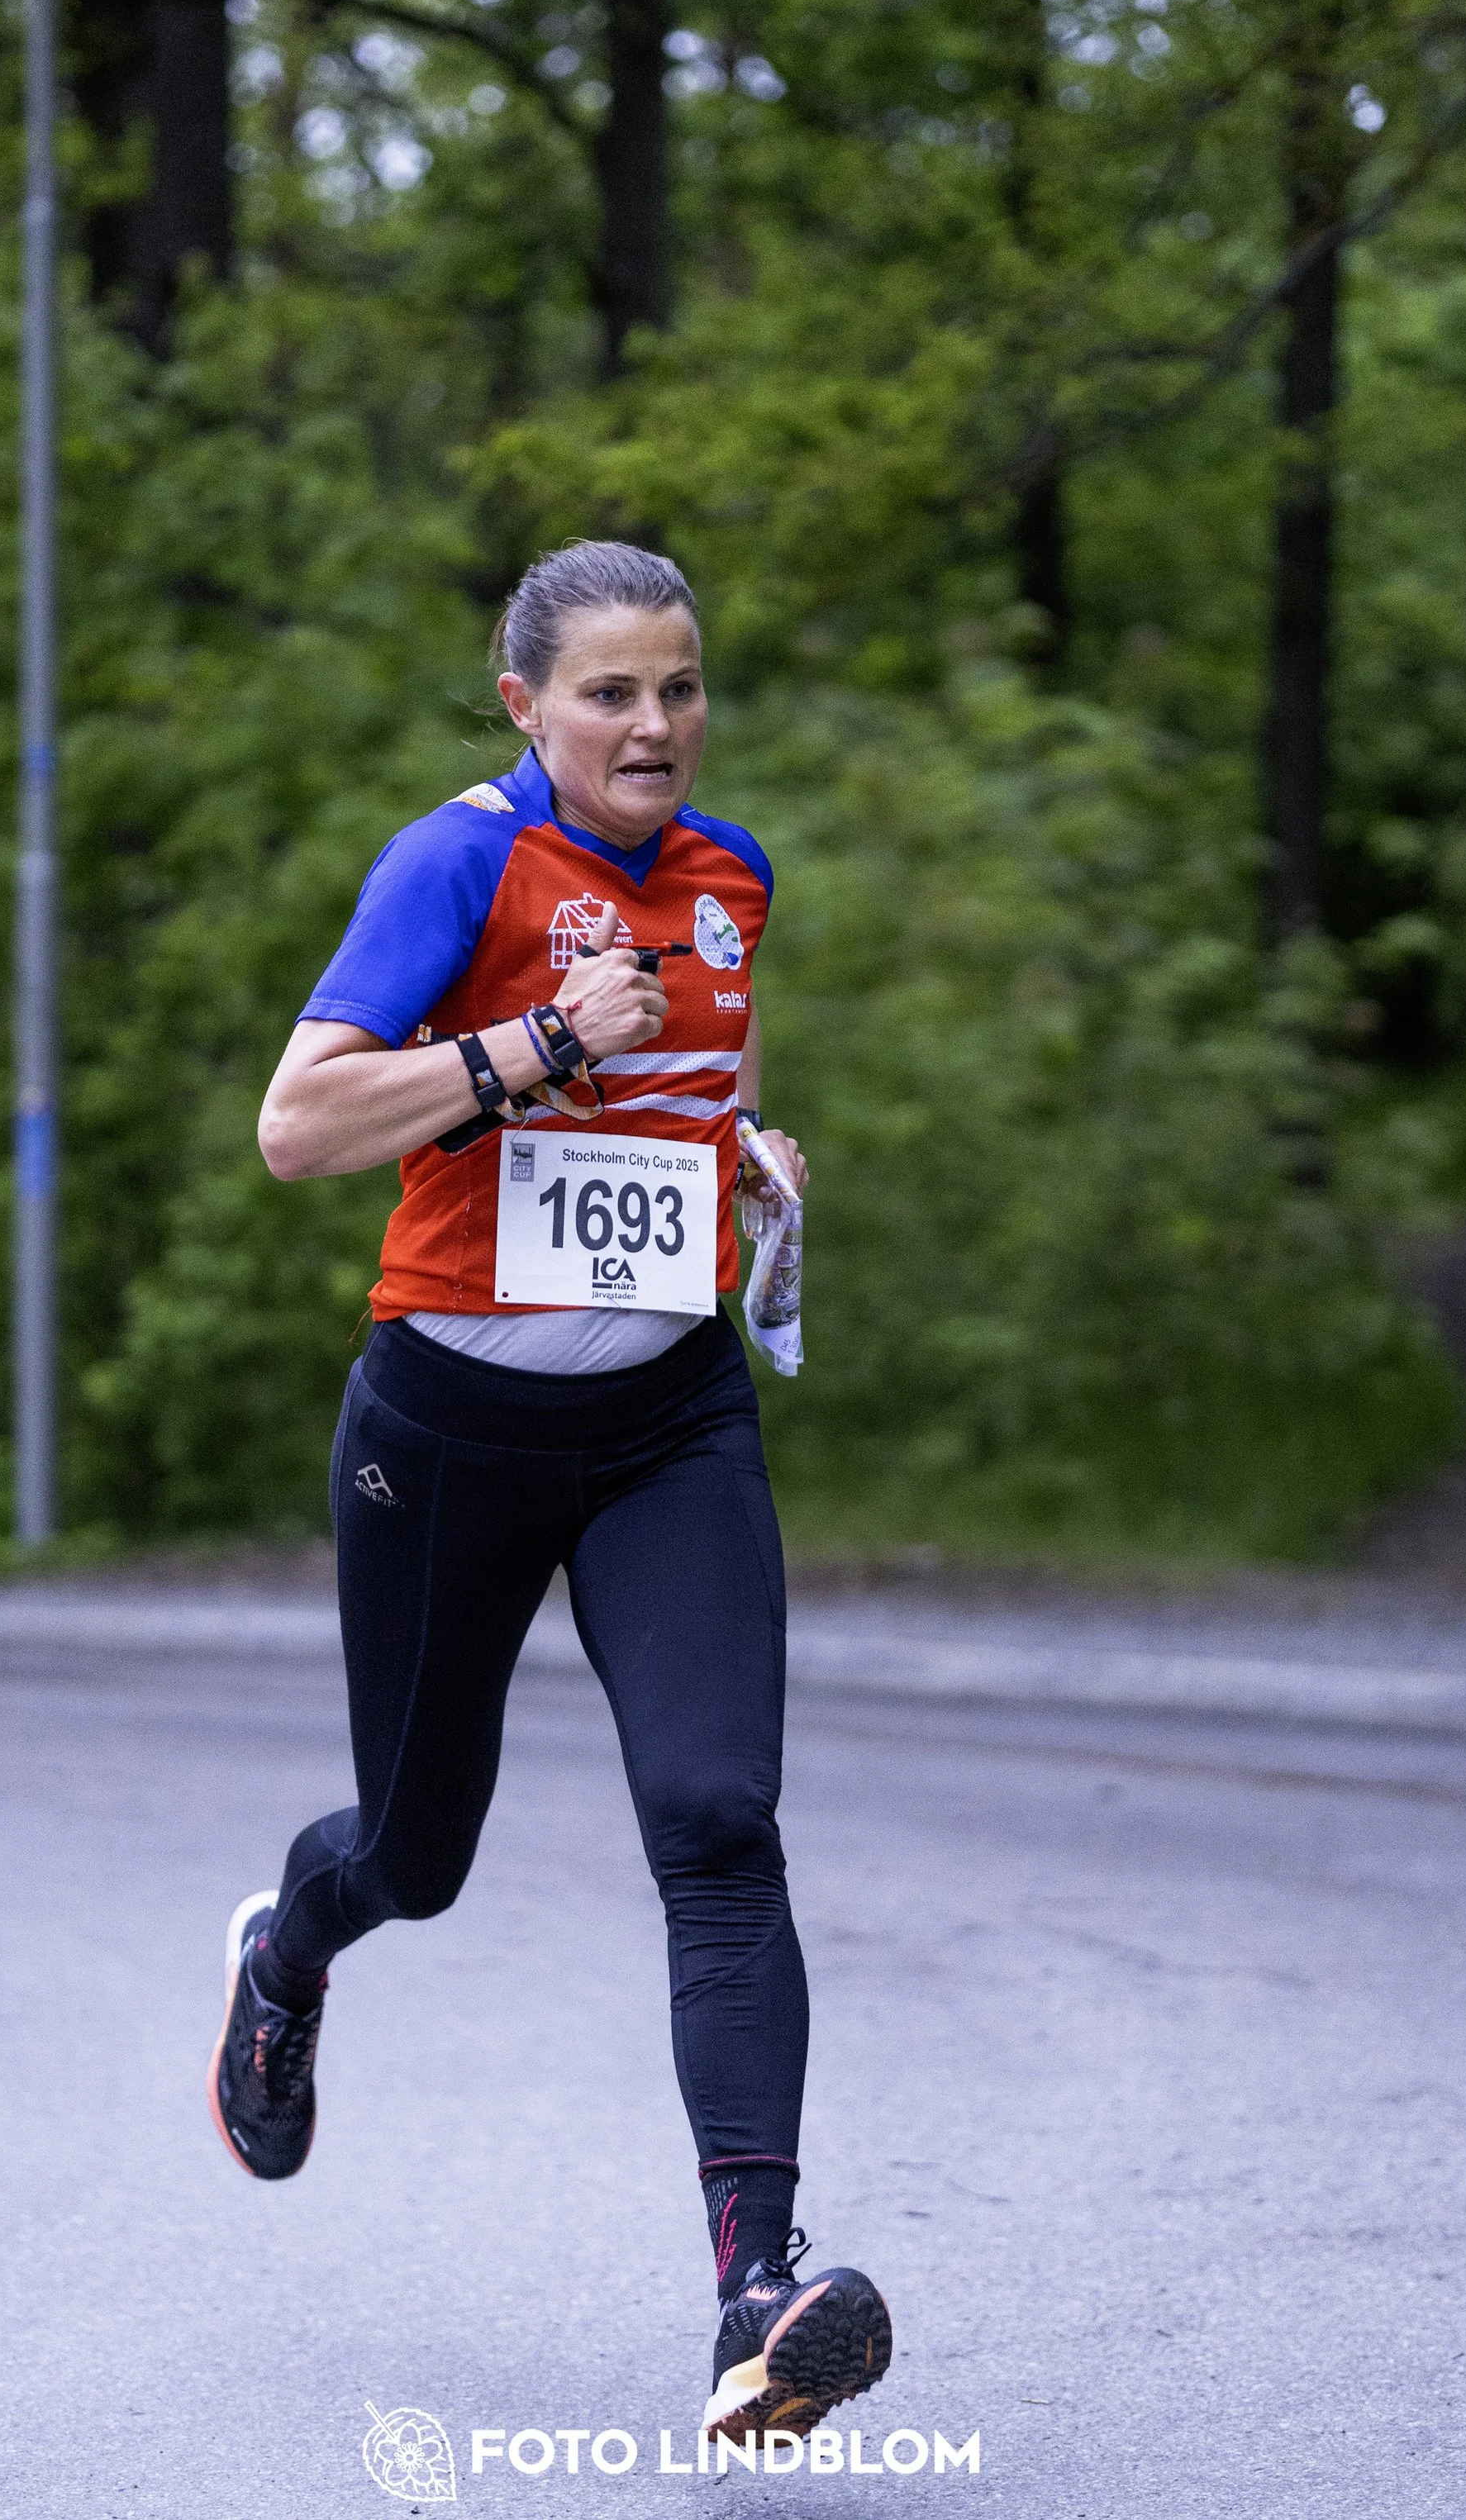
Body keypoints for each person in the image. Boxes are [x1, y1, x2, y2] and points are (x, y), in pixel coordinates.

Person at [207, 540, 891, 2444]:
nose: (652, 723)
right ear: (526, 705)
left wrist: (738, 1166)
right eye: (609, 692)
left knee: (717, 1820)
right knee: (414, 1854)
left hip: (669, 1422)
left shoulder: (731, 878)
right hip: (448, 1430)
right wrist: (536, 1042)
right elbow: (296, 1126)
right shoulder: (455, 864)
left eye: (678, 686)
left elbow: (676, 1112)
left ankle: (756, 2292)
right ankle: (283, 1947)